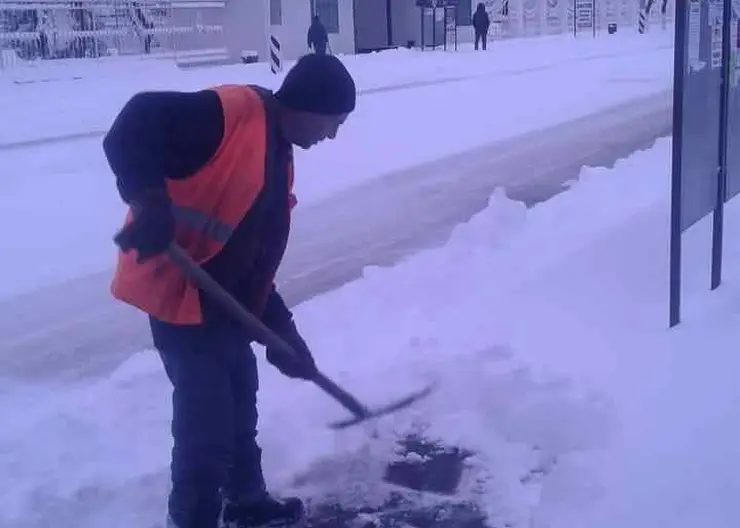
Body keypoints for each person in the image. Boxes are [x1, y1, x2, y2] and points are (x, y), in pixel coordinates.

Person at [102, 54, 356, 528]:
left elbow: (250, 263)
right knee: (207, 421)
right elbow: (133, 125)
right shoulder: (231, 113)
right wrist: (152, 204)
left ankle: (246, 502)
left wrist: (285, 335)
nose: (333, 135)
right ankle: (193, 519)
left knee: (240, 396)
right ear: (309, 105)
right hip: (179, 293)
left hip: (220, 300)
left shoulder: (277, 150)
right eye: (334, 122)